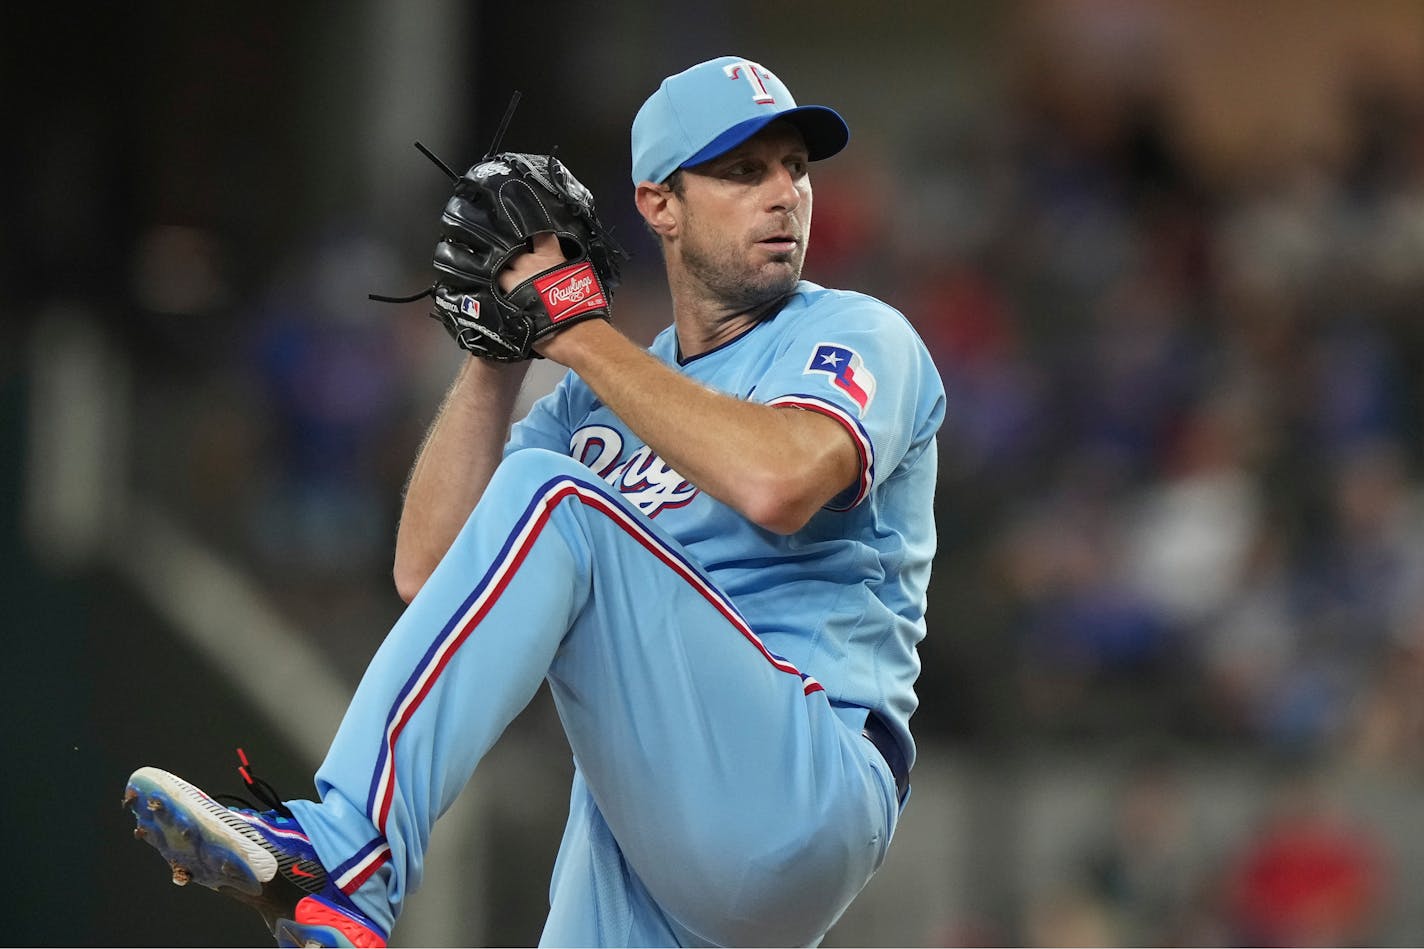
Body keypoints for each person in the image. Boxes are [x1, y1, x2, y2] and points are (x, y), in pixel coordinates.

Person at [124, 55, 945, 948]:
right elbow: (433, 577)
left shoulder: (856, 332)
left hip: (802, 778)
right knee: (546, 504)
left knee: (556, 497)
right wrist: (498, 350)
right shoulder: (596, 401)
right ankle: (338, 879)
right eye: (744, 171)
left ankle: (346, 852)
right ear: (659, 203)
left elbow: (780, 482)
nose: (784, 193)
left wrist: (575, 329)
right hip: (648, 828)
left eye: (795, 167)